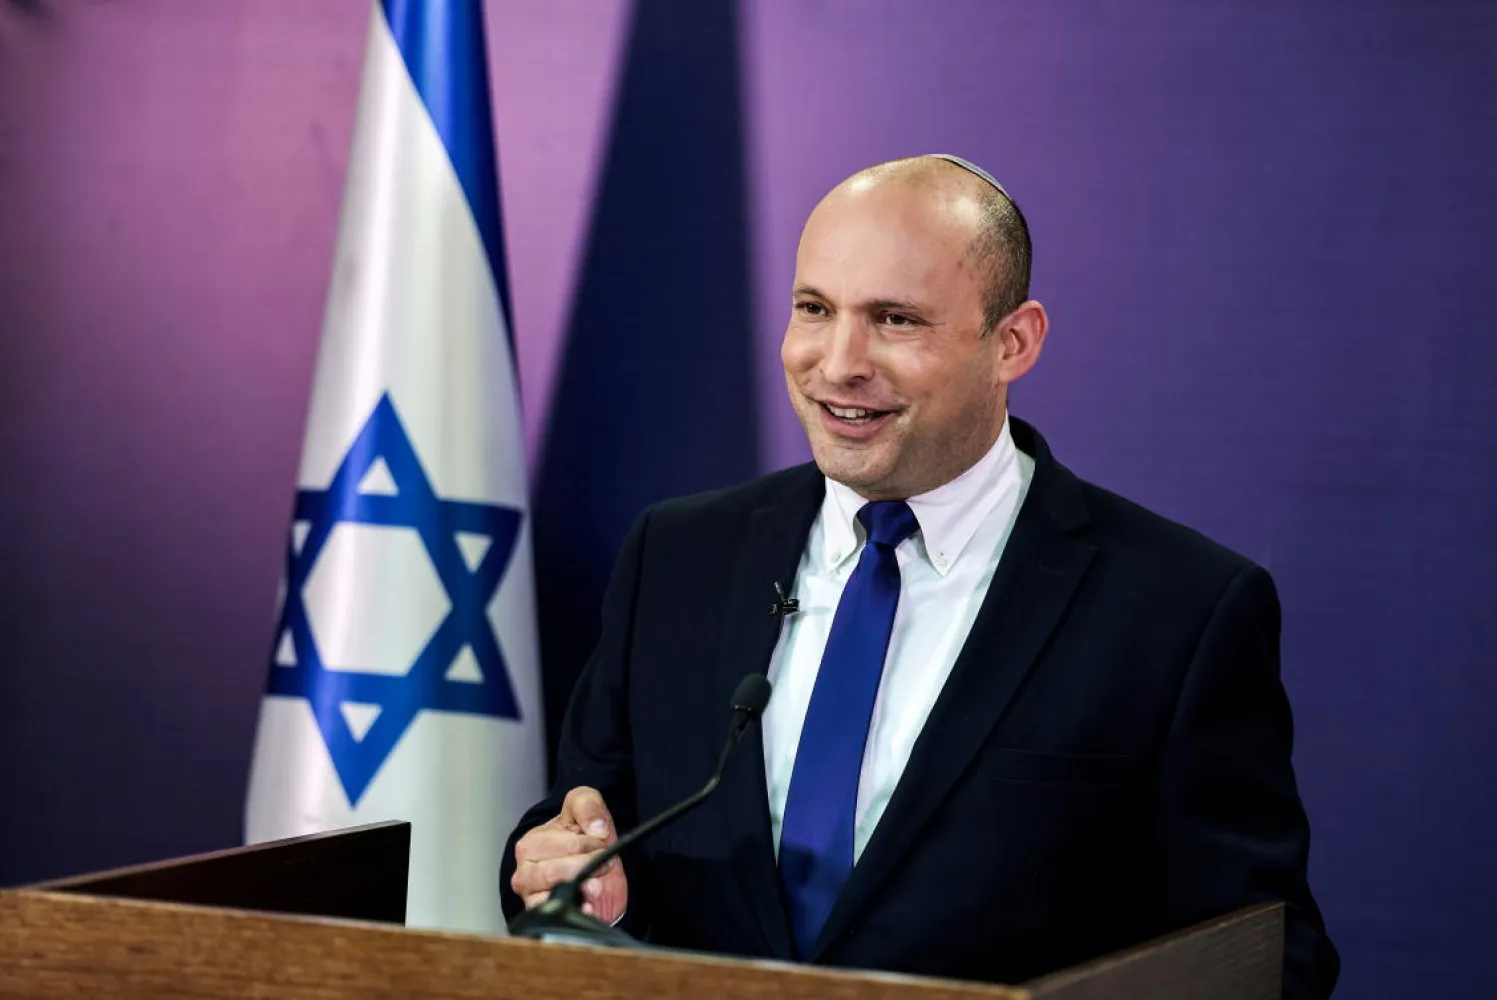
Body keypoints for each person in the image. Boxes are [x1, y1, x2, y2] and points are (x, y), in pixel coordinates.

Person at [500, 155, 1339, 998]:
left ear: (1013, 342)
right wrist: (561, 871)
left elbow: (1264, 958)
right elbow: (583, 825)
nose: (838, 362)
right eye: (814, 309)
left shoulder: (1176, 610)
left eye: (895, 320)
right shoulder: (677, 556)